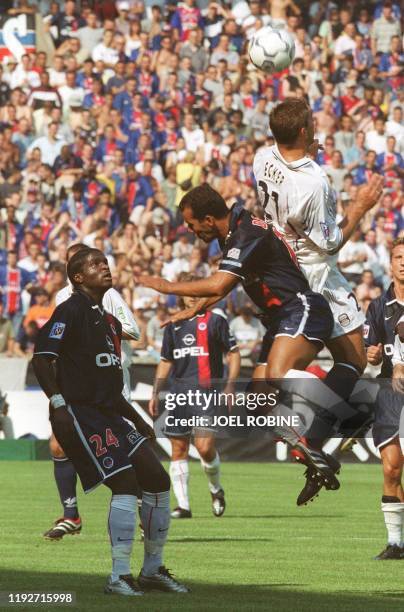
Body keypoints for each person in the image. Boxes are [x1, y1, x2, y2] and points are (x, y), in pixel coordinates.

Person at [139, 183, 343, 500]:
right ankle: (313, 452)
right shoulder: (234, 234)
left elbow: (220, 282)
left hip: (301, 307)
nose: (192, 232)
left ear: (208, 219)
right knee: (257, 404)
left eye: (192, 225)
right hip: (279, 321)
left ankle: (345, 403)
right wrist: (196, 307)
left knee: (277, 374)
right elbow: (222, 290)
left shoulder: (247, 233)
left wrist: (166, 286)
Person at [32, 248, 188, 595]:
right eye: (94, 264)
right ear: (78, 277)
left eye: (105, 261)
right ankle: (119, 575)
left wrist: (137, 418)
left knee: (158, 482)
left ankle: (151, 570)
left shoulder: (109, 321)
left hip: (111, 414)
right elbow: (42, 359)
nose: (104, 266)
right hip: (81, 413)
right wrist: (58, 403)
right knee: (125, 484)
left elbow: (110, 386)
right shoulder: (69, 310)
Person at [253, 97, 384, 500]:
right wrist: (360, 207)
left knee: (355, 359)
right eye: (312, 123)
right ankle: (311, 433)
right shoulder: (314, 183)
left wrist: (306, 152)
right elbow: (328, 244)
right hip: (312, 274)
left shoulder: (262, 157)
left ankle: (313, 442)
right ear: (307, 131)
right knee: (284, 375)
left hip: (278, 268)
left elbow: (286, 166)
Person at [43, 243, 141, 541]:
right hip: (76, 384)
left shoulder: (107, 294)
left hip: (109, 382)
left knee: (126, 449)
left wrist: (99, 332)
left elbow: (133, 330)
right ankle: (71, 515)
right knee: (59, 444)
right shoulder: (63, 297)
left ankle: (140, 511)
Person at [149, 273, 240, 519]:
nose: (190, 297)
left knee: (204, 446)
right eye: (186, 292)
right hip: (179, 394)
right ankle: (183, 506)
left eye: (195, 292)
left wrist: (230, 385)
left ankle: (215, 489)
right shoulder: (174, 324)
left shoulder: (215, 319)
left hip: (206, 393)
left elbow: (233, 353)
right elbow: (166, 360)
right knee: (178, 448)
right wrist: (156, 391)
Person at [364, 237, 404, 560]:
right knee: (391, 469)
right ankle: (395, 543)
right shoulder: (378, 307)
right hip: (389, 395)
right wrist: (374, 355)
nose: (403, 262)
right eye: (398, 257)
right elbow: (372, 355)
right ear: (390, 263)